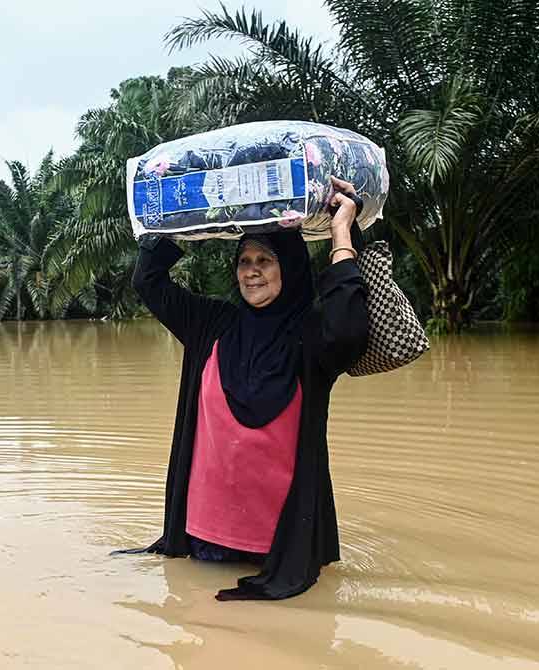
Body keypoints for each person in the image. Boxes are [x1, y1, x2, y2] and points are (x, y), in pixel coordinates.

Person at [123, 176, 370, 601]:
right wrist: (184, 217)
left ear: (289, 268)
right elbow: (149, 281)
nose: (251, 270)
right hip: (204, 542)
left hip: (281, 549)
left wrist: (342, 231)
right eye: (244, 260)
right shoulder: (212, 324)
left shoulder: (311, 336)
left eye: (266, 260)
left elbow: (350, 330)